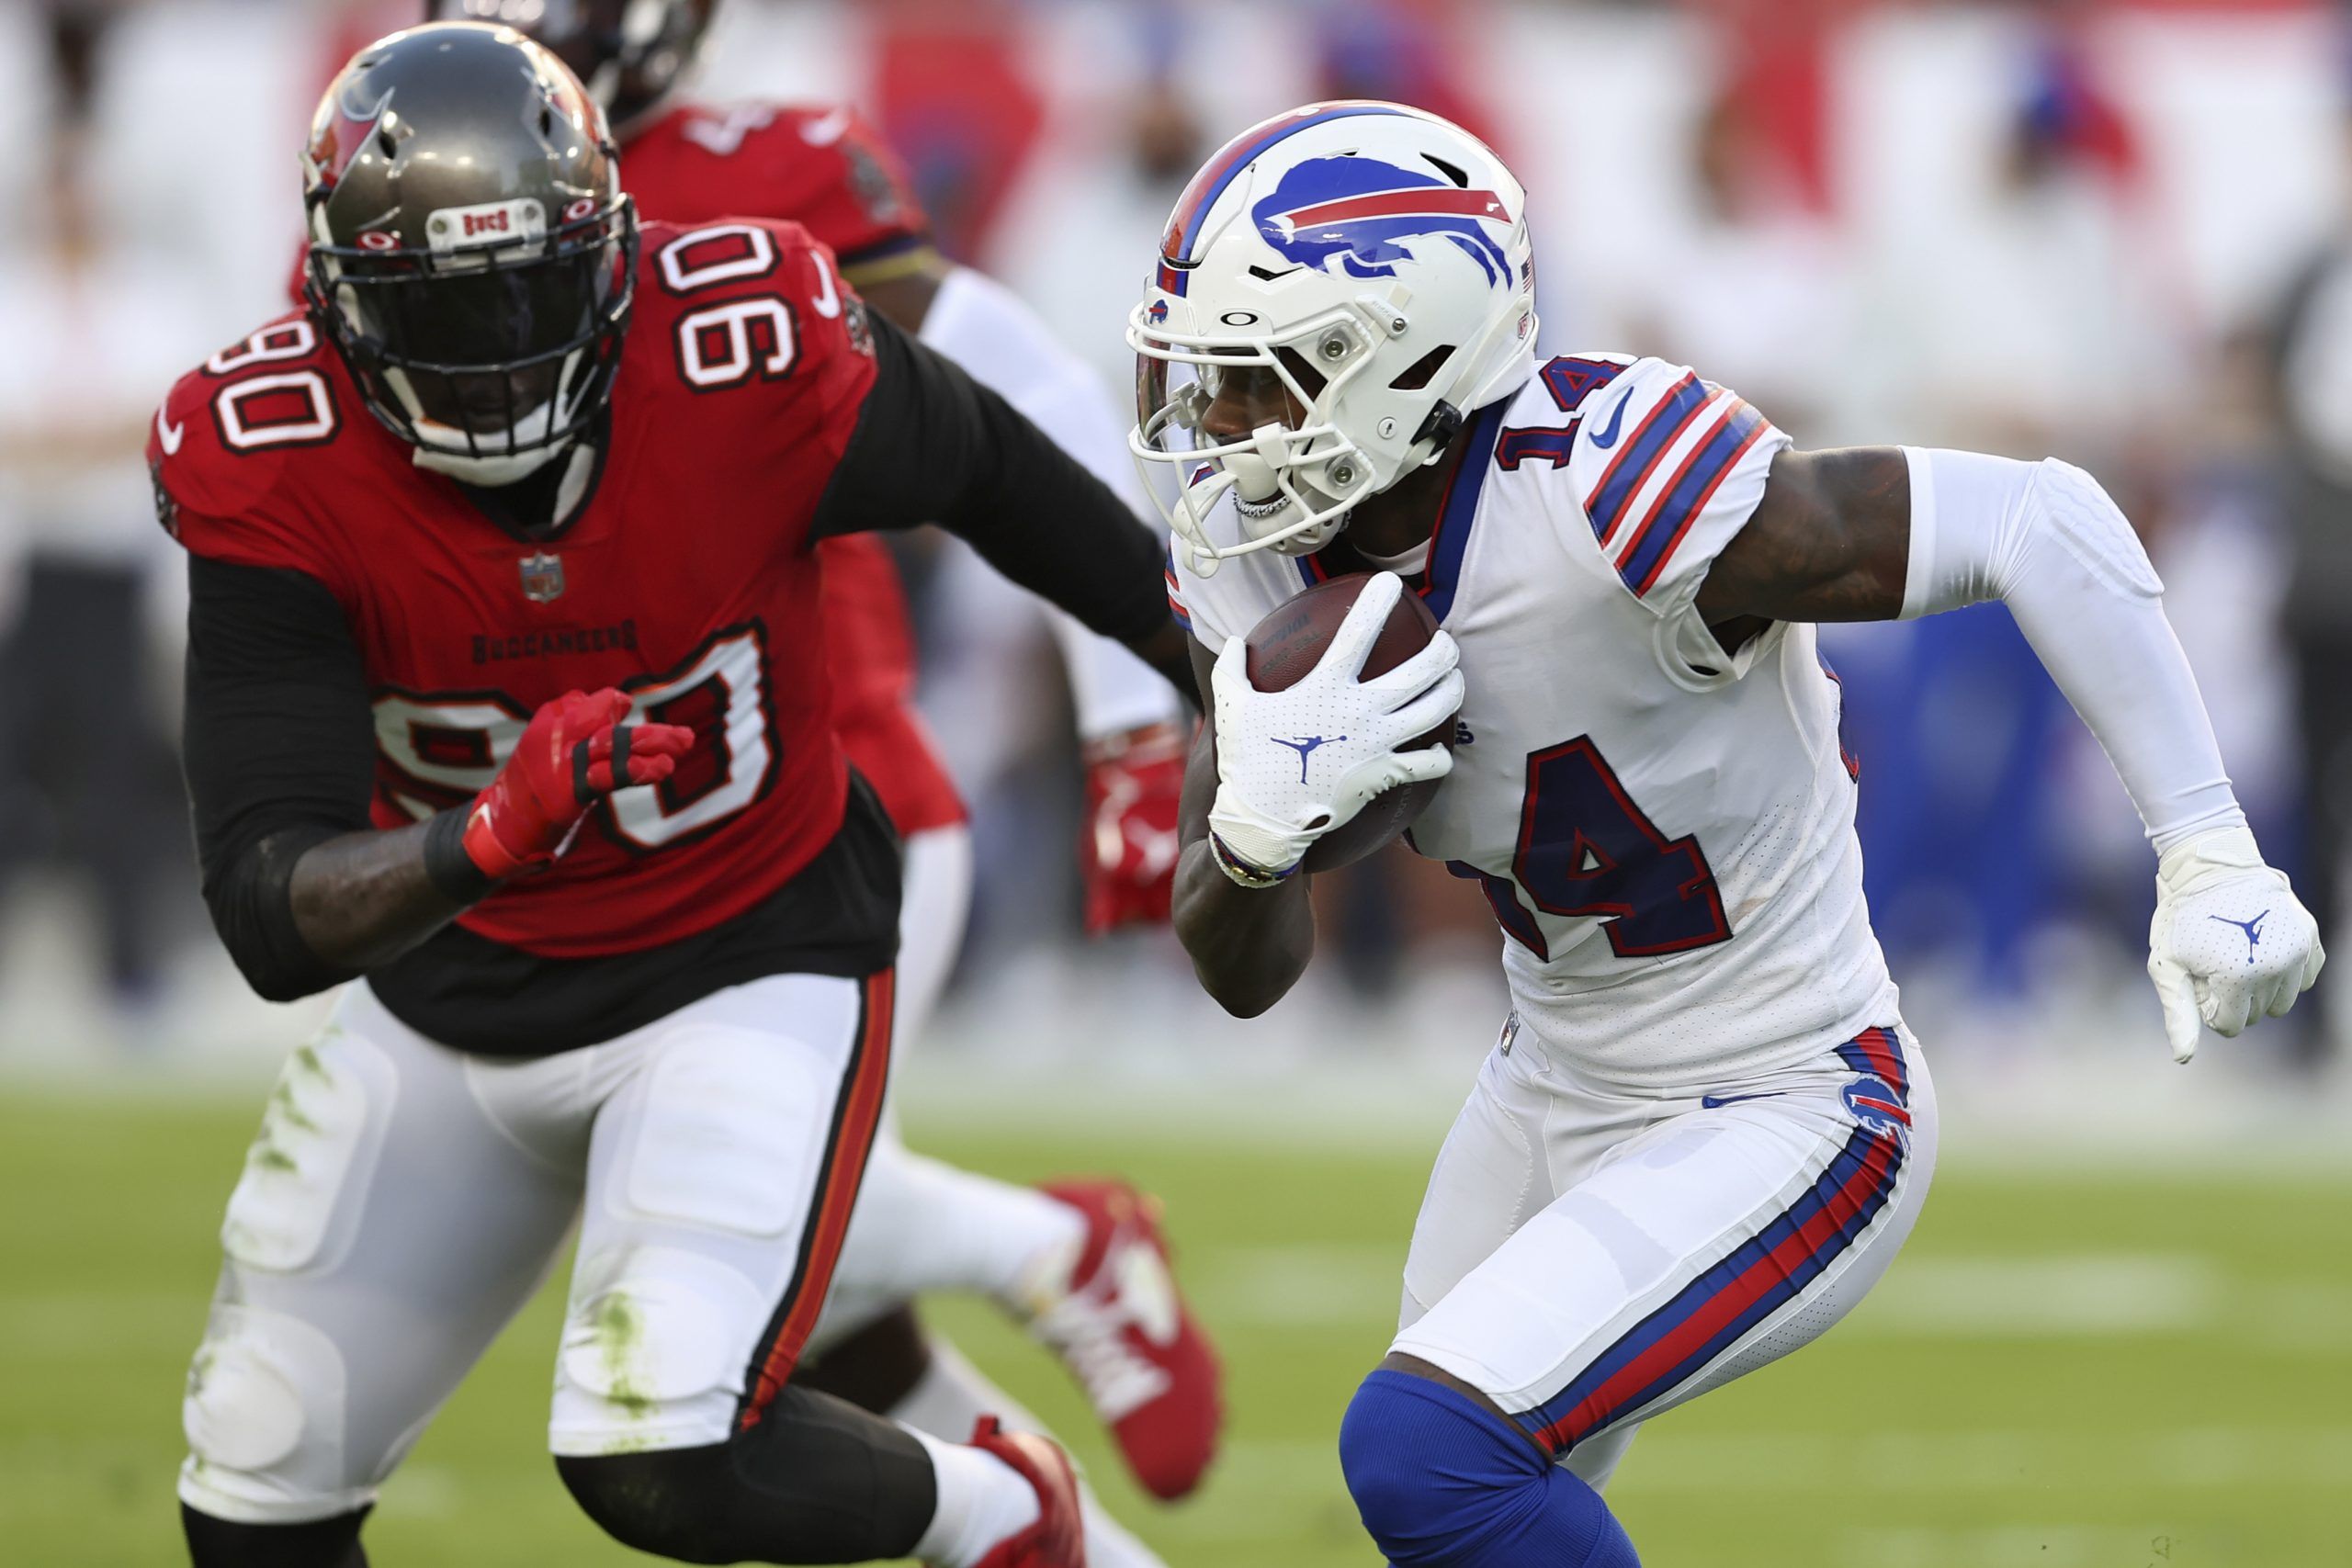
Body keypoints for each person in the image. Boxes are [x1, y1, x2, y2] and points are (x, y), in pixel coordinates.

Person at [1137, 101, 2324, 1566]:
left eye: (1257, 382)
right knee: (1452, 1513)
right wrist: (1254, 842)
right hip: (1552, 1079)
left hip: (1793, 1096)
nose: (1221, 428)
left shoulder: (1613, 482)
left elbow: (2037, 520)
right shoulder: (1247, 553)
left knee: (1426, 1449)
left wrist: (2208, 846)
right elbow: (1243, 966)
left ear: (1394, 353)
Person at [163, 25, 1192, 1568]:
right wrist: (486, 835)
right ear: (337, 299)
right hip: (454, 1002)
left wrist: (1198, 675)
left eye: (530, 295)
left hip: (746, 955)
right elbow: (269, 905)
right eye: (448, 311)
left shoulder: (741, 338)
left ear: (610, 250)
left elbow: (992, 461)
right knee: (256, 1491)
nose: (501, 353)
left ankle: (998, 1514)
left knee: (658, 1455)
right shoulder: (272, 449)